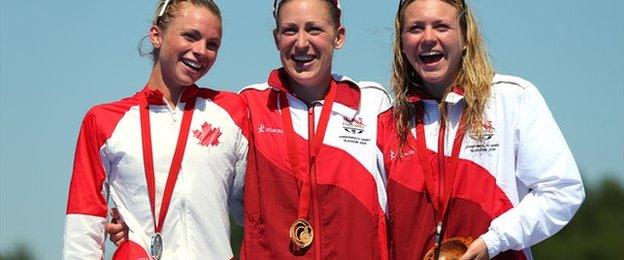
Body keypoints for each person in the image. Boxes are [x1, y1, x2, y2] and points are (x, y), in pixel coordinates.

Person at [377, 0, 585, 259]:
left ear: (465, 36)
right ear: (402, 43)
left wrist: (494, 240)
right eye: (416, 28)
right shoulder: (388, 123)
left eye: (441, 26)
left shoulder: (511, 100)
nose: (428, 38)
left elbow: (563, 191)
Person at [62, 0, 249, 259]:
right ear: (156, 35)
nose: (201, 51)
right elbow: (83, 223)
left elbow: (252, 209)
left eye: (212, 44)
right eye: (190, 36)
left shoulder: (232, 111)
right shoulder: (104, 121)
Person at [239, 0, 392, 259]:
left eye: (314, 29)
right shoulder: (250, 105)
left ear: (339, 36)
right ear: (276, 39)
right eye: (289, 30)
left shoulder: (372, 103)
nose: (301, 42)